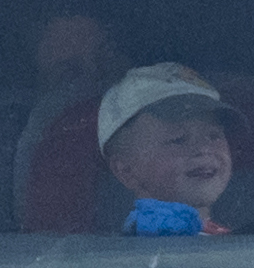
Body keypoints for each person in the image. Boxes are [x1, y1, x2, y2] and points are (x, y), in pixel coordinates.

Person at [98, 60, 242, 235]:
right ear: (126, 170)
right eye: (178, 140)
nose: (204, 148)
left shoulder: (230, 238)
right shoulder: (150, 244)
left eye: (214, 136)